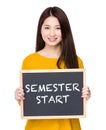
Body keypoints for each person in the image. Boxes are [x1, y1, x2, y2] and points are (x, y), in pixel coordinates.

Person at [15, 6, 91, 130]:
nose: (52, 33)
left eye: (58, 28)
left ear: (65, 30)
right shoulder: (29, 61)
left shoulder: (75, 60)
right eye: (47, 28)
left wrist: (85, 95)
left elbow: (75, 101)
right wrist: (20, 96)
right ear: (40, 29)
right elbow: (29, 103)